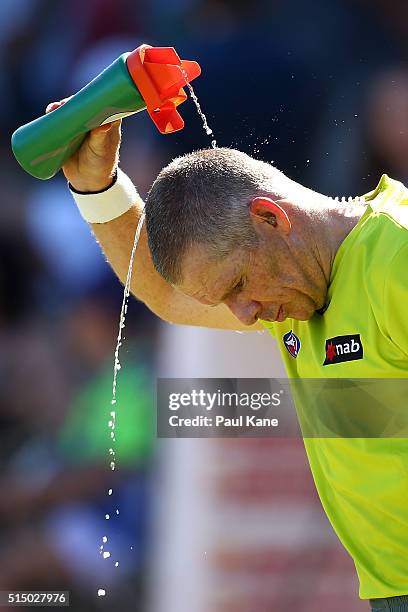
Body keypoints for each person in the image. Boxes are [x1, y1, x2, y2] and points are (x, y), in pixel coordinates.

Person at [45, 99, 408, 611]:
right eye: (226, 299)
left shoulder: (397, 256)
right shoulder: (297, 289)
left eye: (238, 284)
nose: (244, 314)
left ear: (270, 217)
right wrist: (96, 187)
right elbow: (166, 295)